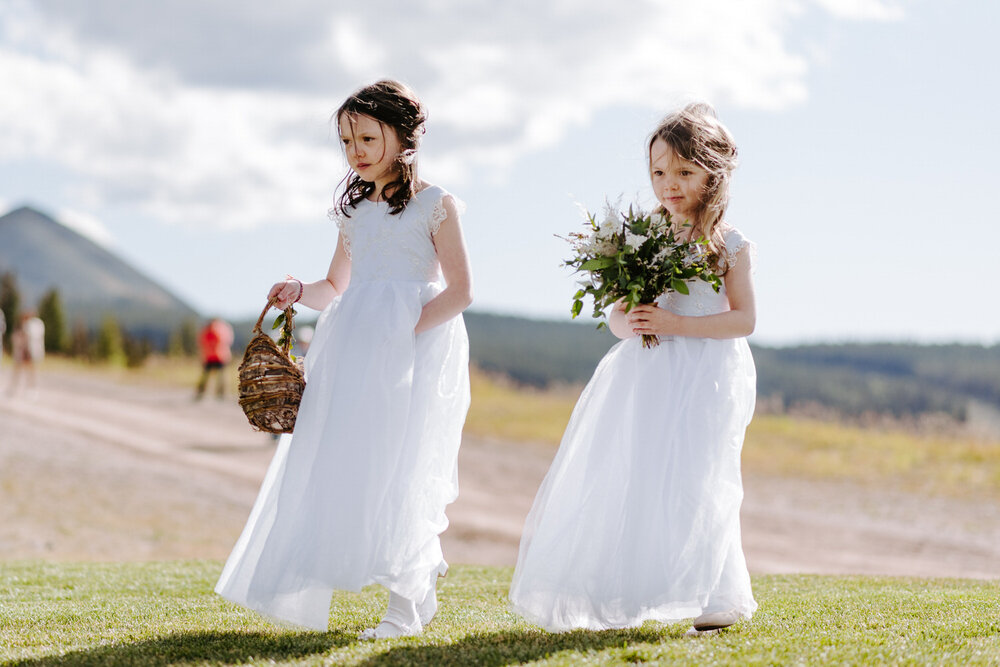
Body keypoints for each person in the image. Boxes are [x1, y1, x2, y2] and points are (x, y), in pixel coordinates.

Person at [216, 79, 473, 639]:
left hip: (414, 349)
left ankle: (404, 605)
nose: (355, 150)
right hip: (354, 345)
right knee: (354, 461)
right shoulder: (355, 211)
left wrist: (405, 333)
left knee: (405, 462)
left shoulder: (437, 204)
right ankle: (415, 588)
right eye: (346, 140)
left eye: (366, 136)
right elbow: (335, 285)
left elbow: (460, 292)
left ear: (403, 136)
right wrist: (295, 290)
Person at [509, 103, 757, 634]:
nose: (669, 184)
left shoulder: (728, 244)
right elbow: (620, 318)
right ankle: (628, 589)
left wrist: (673, 322)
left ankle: (722, 595)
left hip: (707, 372)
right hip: (646, 375)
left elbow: (744, 320)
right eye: (659, 172)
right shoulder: (642, 238)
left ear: (713, 173)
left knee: (701, 474)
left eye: (684, 172)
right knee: (637, 471)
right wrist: (636, 321)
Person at [194, 317, 234, 399]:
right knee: (221, 377)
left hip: (212, 356)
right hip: (220, 356)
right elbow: (228, 341)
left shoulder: (206, 330)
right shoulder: (223, 329)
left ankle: (201, 392)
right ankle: (221, 394)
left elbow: (201, 343)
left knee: (207, 376)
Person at [8, 311, 45, 396]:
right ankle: (16, 388)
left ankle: (31, 388)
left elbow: (28, 339)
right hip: (25, 352)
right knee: (21, 370)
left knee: (30, 371)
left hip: (28, 352)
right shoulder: (28, 325)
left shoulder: (31, 325)